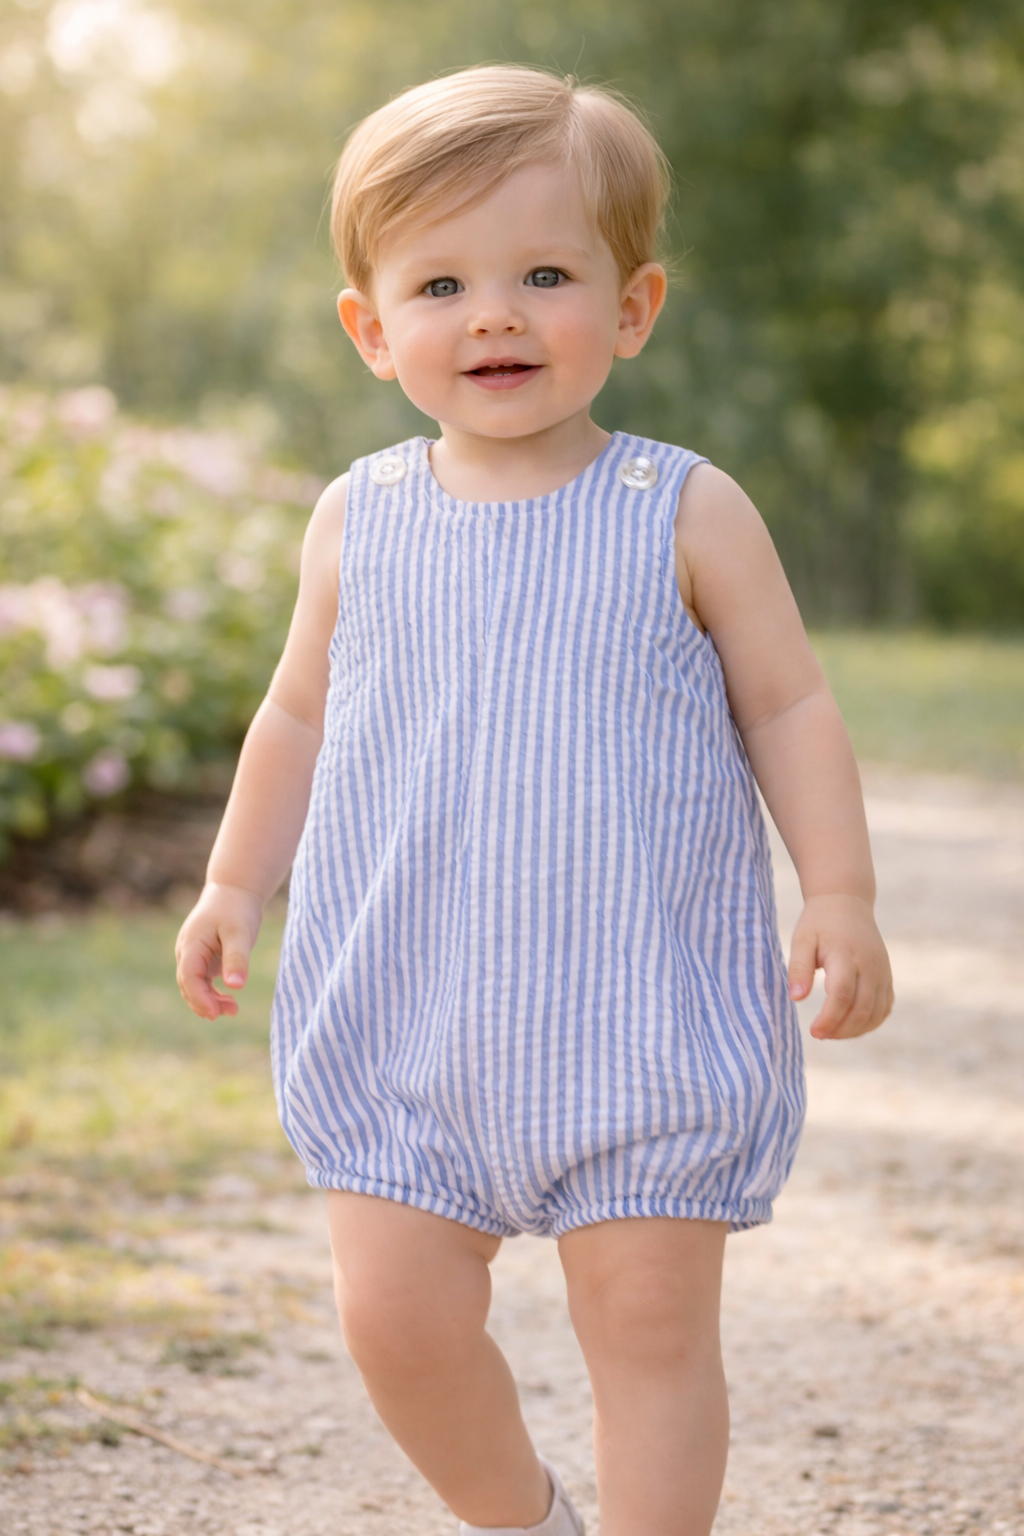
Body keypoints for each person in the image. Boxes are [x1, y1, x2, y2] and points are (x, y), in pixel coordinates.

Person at [175, 64, 893, 1536]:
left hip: (636, 1023)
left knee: (647, 1331)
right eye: (440, 282)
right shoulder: (357, 520)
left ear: (632, 309)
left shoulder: (683, 509)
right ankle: (525, 1520)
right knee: (395, 1321)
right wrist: (235, 883)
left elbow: (789, 705)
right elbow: (295, 717)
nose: (493, 313)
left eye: (546, 273)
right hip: (404, 1017)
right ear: (374, 332)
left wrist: (840, 892)